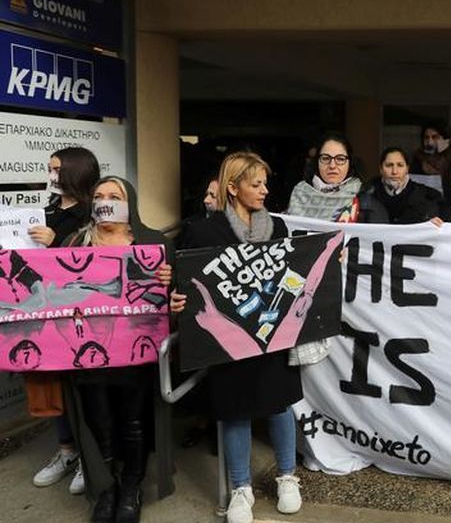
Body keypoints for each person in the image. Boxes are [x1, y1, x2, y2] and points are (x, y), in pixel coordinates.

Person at [174, 152, 302, 523]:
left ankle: (287, 476)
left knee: (280, 404)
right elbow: (185, 281)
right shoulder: (202, 230)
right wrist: (177, 298)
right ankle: (241, 489)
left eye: (265, 183)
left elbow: (291, 273)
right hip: (227, 339)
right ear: (233, 187)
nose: (264, 191)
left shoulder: (277, 227)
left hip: (271, 333)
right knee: (235, 410)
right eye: (255, 184)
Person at [63, 176, 174, 523]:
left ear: (131, 203)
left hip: (135, 354)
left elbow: (177, 303)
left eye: (115, 195)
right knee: (99, 421)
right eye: (99, 196)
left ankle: (131, 486)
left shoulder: (154, 244)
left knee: (133, 421)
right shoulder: (74, 243)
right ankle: (106, 487)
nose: (105, 201)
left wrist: (170, 282)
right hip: (88, 354)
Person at [26, 147, 100, 496]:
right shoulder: (48, 209)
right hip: (43, 311)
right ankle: (68, 450)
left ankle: (91, 455)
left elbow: (91, 267)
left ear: (75, 171)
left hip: (79, 313)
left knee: (83, 387)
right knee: (51, 380)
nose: (52, 175)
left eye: (57, 170)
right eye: (49, 169)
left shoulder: (93, 213)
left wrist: (57, 245)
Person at [286, 133, 361, 222]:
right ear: (316, 162)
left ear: (350, 163)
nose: (332, 165)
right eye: (325, 158)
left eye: (340, 159)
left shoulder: (363, 197)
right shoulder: (299, 192)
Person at [359, 148, 441, 224]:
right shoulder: (367, 193)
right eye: (389, 165)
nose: (394, 171)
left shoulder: (426, 196)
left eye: (400, 165)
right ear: (381, 169)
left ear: (407, 169)